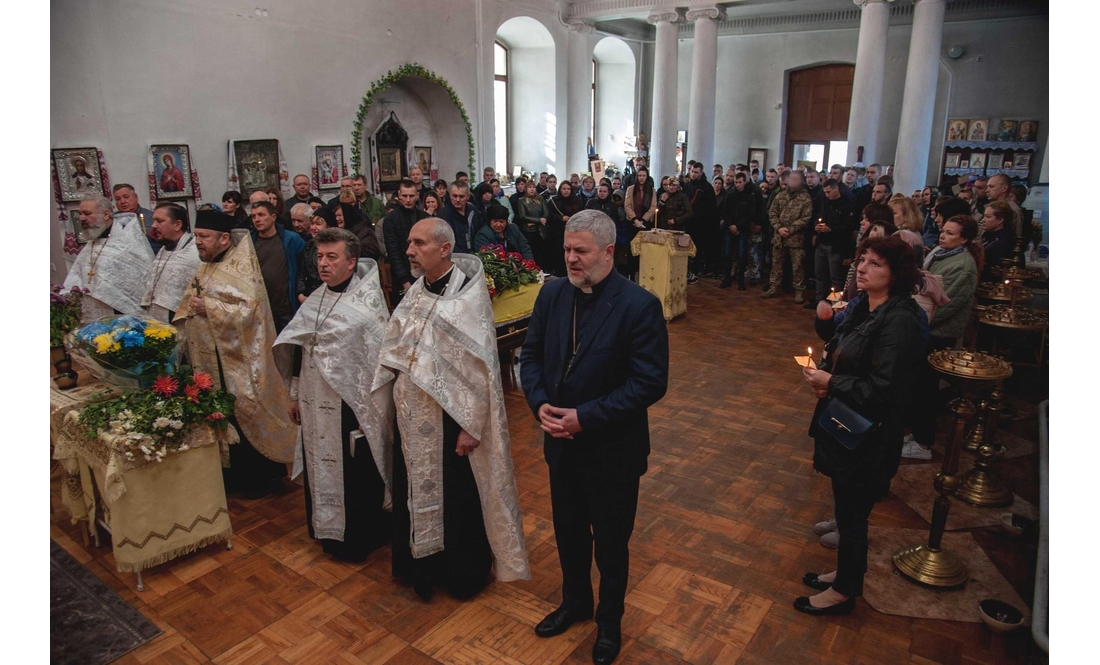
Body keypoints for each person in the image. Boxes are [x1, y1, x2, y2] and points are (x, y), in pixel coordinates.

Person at [520, 210, 669, 665]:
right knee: (567, 533)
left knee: (609, 543)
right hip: (560, 445)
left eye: (580, 251)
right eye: (567, 249)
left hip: (611, 451)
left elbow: (649, 384)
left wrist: (585, 417)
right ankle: (575, 602)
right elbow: (529, 356)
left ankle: (609, 621)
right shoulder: (552, 295)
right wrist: (539, 401)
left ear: (608, 251)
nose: (570, 259)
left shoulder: (638, 305)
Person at [373, 218, 530, 601]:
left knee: (457, 500)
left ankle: (462, 574)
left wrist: (472, 426)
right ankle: (421, 570)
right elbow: (395, 345)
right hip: (412, 418)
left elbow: (482, 372)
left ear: (444, 249)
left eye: (418, 243)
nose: (409, 250)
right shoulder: (415, 293)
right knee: (415, 491)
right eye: (409, 242)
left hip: (450, 421)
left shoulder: (467, 299)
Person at [800, 234, 924, 616]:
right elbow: (838, 347)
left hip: (871, 434)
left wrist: (831, 383)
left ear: (896, 274)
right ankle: (845, 572)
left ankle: (845, 591)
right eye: (863, 260)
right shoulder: (866, 307)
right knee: (847, 508)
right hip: (846, 423)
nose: (863, 269)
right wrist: (824, 371)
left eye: (875, 264)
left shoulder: (900, 319)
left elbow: (884, 390)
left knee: (854, 514)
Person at [276, 228, 394, 562]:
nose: (323, 264)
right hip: (316, 404)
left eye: (332, 257)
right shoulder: (316, 298)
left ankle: (358, 538)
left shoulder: (367, 307)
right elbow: (300, 350)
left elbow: (377, 364)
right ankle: (326, 531)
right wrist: (295, 394)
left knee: (355, 474)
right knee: (320, 465)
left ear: (351, 262)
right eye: (320, 256)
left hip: (351, 406)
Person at [174, 210, 297, 498]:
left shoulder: (241, 268)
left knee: (242, 411)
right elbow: (189, 303)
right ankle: (230, 476)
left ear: (224, 238)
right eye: (197, 236)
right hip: (209, 361)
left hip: (236, 361)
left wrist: (211, 309)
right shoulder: (204, 269)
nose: (198, 242)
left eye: (204, 237)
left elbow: (250, 314)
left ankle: (259, 480)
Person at [904, 215, 982, 460]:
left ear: (964, 239)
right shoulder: (941, 253)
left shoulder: (963, 265)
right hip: (926, 327)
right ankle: (916, 433)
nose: (942, 235)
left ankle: (923, 443)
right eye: (943, 230)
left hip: (938, 332)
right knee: (918, 386)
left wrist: (915, 320)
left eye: (950, 233)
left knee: (927, 390)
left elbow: (945, 305)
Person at [64, 194, 155, 323]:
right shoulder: (92, 243)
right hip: (93, 316)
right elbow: (77, 276)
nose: (81, 218)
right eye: (80, 214)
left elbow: (140, 280)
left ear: (106, 215)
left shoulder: (129, 241)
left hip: (123, 316)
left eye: (87, 213)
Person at [249, 200, 305, 331]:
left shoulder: (291, 239)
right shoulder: (249, 242)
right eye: (253, 216)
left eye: (261, 215)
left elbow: (304, 268)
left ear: (273, 217)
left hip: (287, 307)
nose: (257, 219)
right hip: (262, 308)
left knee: (289, 348)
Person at [141, 203, 201, 323]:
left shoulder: (195, 251)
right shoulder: (164, 248)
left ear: (178, 225)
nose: (153, 226)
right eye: (153, 221)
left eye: (159, 221)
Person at [763, 170, 813, 303]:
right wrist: (778, 227)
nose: (792, 181)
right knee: (776, 264)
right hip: (779, 236)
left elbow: (806, 218)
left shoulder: (806, 198)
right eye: (791, 178)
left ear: (802, 181)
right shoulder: (781, 195)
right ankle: (774, 287)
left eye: (796, 179)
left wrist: (790, 229)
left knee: (797, 266)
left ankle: (799, 290)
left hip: (796, 239)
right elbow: (772, 213)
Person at [809, 179, 857, 308]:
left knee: (835, 277)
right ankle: (819, 300)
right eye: (825, 192)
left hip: (836, 246)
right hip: (821, 243)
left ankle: (836, 304)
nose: (827, 195)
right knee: (819, 274)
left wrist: (831, 229)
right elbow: (818, 217)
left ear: (836, 189)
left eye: (829, 192)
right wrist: (816, 229)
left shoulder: (846, 206)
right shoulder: (825, 203)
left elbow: (848, 228)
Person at [383, 179, 431, 305]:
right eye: (404, 196)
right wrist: (405, 281)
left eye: (411, 196)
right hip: (401, 277)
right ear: (399, 195)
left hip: (425, 273)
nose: (408, 199)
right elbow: (393, 253)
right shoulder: (390, 220)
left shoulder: (425, 218)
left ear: (417, 195)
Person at [720, 172, 756, 290]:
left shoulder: (749, 196)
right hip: (730, 228)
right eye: (736, 182)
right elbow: (725, 211)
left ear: (744, 182)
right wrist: (731, 225)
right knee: (728, 254)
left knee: (742, 255)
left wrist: (738, 226)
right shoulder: (730, 195)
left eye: (740, 182)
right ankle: (727, 279)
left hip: (742, 229)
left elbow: (750, 214)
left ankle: (741, 281)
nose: (737, 185)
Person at [684, 163, 719, 281]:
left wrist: (706, 222)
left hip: (700, 224)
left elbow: (711, 208)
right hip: (687, 223)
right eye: (692, 171)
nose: (693, 174)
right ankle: (686, 270)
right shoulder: (687, 185)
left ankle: (694, 272)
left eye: (696, 172)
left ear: (701, 173)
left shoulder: (707, 187)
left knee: (697, 249)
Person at [296, 207, 338, 303]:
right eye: (312, 223)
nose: (313, 228)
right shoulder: (309, 246)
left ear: (329, 227)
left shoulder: (338, 248)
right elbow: (301, 272)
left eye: (318, 224)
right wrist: (301, 293)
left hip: (330, 298)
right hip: (309, 297)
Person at [546, 181, 584, 276]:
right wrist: (561, 218)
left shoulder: (577, 201)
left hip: (573, 232)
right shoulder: (553, 201)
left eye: (568, 189)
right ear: (560, 190)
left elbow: (581, 214)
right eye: (564, 189)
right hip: (557, 233)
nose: (566, 191)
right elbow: (549, 215)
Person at [439, 180, 482, 253]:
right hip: (454, 256)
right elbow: (443, 240)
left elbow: (479, 231)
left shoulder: (473, 210)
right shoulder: (444, 214)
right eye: (454, 196)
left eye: (461, 196)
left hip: (473, 255)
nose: (458, 200)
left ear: (468, 196)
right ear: (449, 195)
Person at [113, 183, 158, 251]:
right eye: (118, 199)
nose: (122, 201)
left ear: (136, 197)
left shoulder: (152, 217)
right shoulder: (113, 220)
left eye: (126, 197)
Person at [516, 179, 549, 268]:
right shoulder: (522, 200)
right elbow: (523, 216)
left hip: (540, 230)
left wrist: (540, 220)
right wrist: (538, 220)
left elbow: (546, 212)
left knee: (541, 253)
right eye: (529, 187)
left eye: (533, 187)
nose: (532, 189)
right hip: (528, 231)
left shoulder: (540, 199)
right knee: (531, 252)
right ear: (526, 189)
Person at [980, 201, 1014, 280]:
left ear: (1000, 220)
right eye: (984, 216)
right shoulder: (986, 236)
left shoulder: (1005, 241)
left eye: (988, 217)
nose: (983, 220)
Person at [624, 166, 656, 233]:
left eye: (644, 176)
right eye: (639, 175)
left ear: (647, 177)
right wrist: (635, 220)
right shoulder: (630, 189)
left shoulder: (652, 190)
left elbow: (653, 207)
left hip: (646, 222)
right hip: (632, 221)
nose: (641, 178)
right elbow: (627, 206)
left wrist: (642, 221)